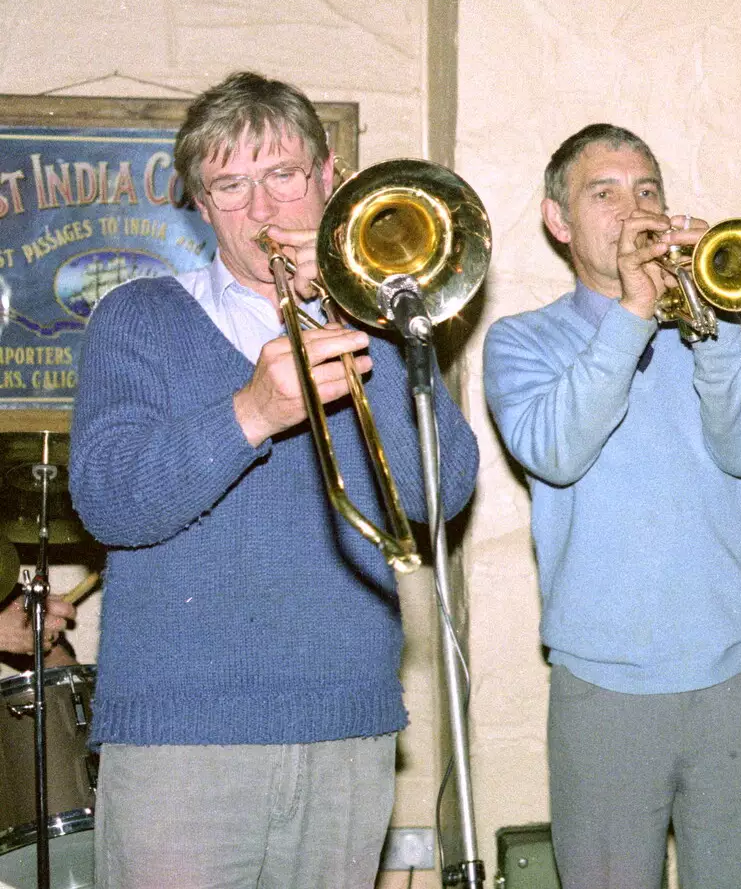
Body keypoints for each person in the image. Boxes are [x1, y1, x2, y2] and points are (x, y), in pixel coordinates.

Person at [68, 71, 480, 889]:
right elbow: (109, 499)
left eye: (283, 176)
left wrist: (358, 320)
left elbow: (444, 491)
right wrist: (250, 411)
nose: (263, 211)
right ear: (200, 202)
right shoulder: (138, 318)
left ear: (329, 177)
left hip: (347, 726)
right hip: (180, 738)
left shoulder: (381, 322)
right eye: (231, 184)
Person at [483, 123, 741, 889]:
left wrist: (711, 320)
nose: (633, 208)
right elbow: (555, 449)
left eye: (647, 190)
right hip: (605, 684)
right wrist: (632, 314)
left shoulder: (728, 323)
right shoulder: (523, 341)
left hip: (735, 673)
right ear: (559, 221)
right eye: (604, 192)